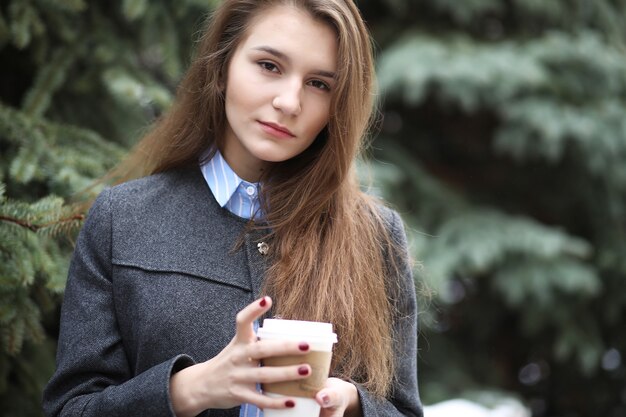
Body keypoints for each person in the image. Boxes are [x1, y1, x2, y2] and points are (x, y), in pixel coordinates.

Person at [43, 0, 423, 416]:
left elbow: (402, 409)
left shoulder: (375, 236)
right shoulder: (123, 218)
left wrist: (352, 404)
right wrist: (188, 390)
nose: (289, 102)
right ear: (222, 65)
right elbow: (70, 409)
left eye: (319, 84)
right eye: (269, 66)